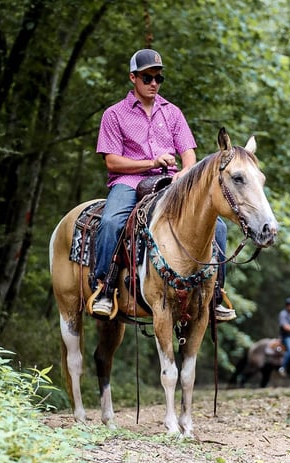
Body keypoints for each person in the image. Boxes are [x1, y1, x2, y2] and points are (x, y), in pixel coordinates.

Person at [90, 48, 235, 321]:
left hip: (171, 182)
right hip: (129, 181)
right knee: (111, 222)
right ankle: (105, 288)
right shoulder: (114, 114)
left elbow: (188, 153)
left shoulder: (172, 112)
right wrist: (151, 161)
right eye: (147, 78)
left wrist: (187, 172)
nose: (154, 83)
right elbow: (112, 162)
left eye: (158, 78)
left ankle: (216, 293)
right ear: (133, 78)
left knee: (218, 227)